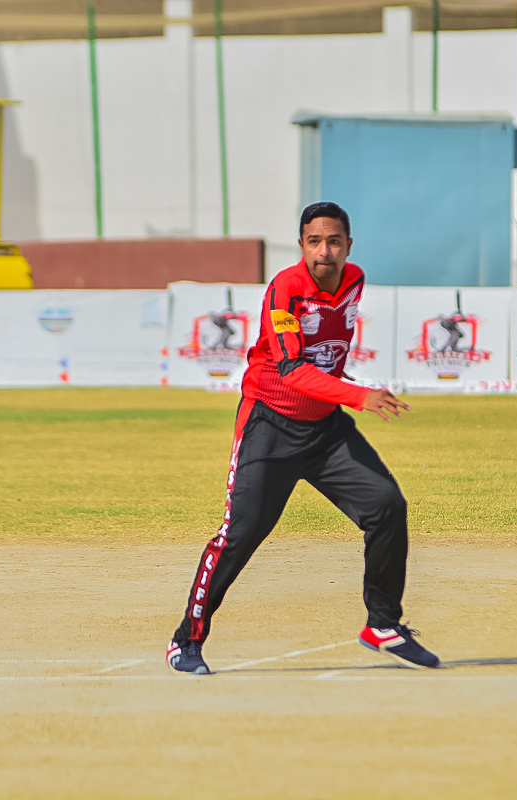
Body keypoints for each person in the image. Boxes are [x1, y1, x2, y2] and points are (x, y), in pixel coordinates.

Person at [166, 202, 441, 674]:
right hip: (270, 426)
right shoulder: (286, 289)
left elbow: (331, 347)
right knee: (239, 536)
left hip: (326, 430)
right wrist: (359, 396)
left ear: (348, 246)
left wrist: (340, 385)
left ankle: (382, 625)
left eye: (333, 242)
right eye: (314, 242)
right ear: (301, 246)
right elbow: (292, 369)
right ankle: (185, 640)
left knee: (386, 505)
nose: (324, 252)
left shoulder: (354, 280)